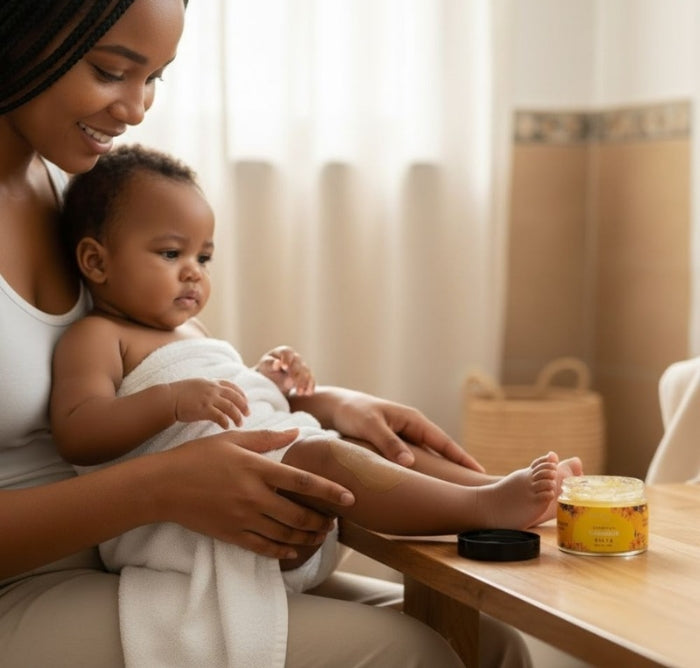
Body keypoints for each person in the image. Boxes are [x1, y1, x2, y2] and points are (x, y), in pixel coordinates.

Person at [0, 0, 539, 666]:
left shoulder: (66, 191)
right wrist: (166, 486)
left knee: (486, 642)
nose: (136, 109)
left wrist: (317, 403)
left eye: (155, 78)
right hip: (26, 581)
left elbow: (149, 362)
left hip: (122, 552)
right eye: (111, 71)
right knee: (420, 657)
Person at [49, 144, 582, 666]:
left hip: (268, 481)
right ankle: (483, 511)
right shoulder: (97, 338)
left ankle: (491, 488)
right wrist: (170, 400)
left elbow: (231, 403)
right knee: (326, 456)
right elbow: (79, 431)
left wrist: (267, 379)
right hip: (200, 528)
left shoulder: (190, 330)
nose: (194, 272)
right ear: (96, 260)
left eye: (204, 256)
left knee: (360, 445)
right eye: (171, 254)